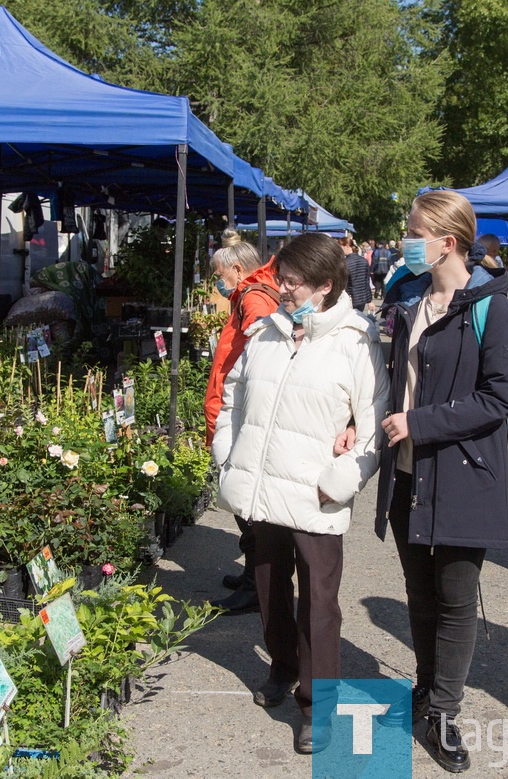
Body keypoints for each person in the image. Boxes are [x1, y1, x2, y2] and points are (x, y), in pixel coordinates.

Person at [213, 232, 388, 754]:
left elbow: (373, 420)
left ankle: (318, 705)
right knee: (269, 588)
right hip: (262, 488)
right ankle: (282, 667)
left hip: (317, 495)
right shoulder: (266, 332)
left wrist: (341, 480)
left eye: (292, 282)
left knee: (319, 603)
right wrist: (228, 454)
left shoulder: (357, 339)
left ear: (325, 286)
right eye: (281, 278)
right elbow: (233, 396)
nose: (282, 288)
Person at [374, 190, 508, 773]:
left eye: (414, 231)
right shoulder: (409, 301)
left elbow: (501, 397)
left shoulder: (490, 305)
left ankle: (443, 713)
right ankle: (425, 686)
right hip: (409, 472)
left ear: (446, 242)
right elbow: (395, 383)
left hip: (463, 473)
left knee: (456, 600)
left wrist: (419, 422)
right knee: (419, 592)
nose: (406, 240)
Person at [204, 228, 280, 613]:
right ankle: (252, 577)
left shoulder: (254, 300)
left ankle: (255, 586)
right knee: (243, 508)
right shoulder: (248, 296)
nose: (219, 282)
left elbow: (259, 360)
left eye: (221, 274)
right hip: (236, 409)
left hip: (241, 415)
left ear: (236, 269)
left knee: (247, 506)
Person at [342, 234, 373, 312]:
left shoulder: (345, 263)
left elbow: (344, 283)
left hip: (350, 297)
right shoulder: (364, 261)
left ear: (346, 246)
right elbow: (367, 282)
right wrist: (370, 300)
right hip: (362, 297)